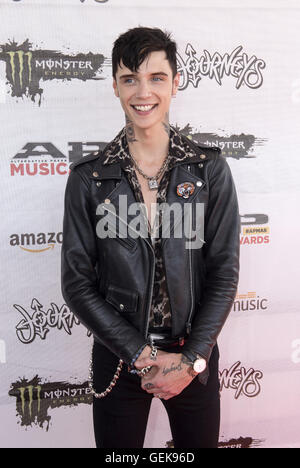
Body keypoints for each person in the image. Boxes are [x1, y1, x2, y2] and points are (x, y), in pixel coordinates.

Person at [61, 26, 240, 449]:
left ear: (176, 83)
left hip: (193, 356)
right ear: (115, 87)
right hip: (120, 359)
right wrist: (141, 355)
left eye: (156, 77)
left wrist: (192, 359)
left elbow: (224, 272)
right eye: (130, 79)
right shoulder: (89, 178)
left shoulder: (209, 171)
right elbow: (77, 284)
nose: (144, 92)